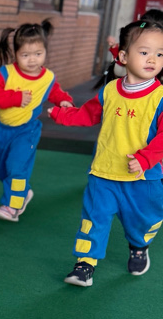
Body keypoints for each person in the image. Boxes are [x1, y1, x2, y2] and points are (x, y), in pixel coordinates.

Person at [49, 17, 163, 286]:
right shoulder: (110, 90)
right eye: (144, 52)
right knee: (94, 218)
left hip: (143, 178)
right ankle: (84, 264)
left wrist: (145, 159)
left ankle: (139, 245)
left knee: (142, 222)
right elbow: (88, 114)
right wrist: (63, 115)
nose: (153, 59)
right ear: (123, 57)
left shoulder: (160, 97)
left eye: (160, 54)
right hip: (104, 172)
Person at [0, 20, 73, 221]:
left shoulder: (47, 77)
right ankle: (23, 191)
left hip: (27, 130)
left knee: (16, 168)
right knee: (0, 169)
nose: (32, 60)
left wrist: (64, 101)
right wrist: (15, 98)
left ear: (45, 52)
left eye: (38, 54)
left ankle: (13, 206)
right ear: (16, 53)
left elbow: (55, 92)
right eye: (25, 55)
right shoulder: (6, 73)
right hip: (4, 130)